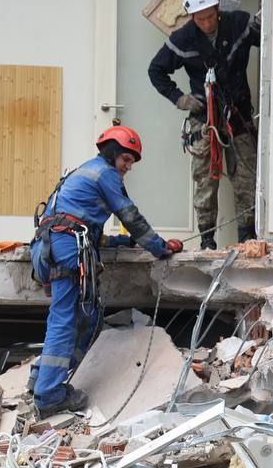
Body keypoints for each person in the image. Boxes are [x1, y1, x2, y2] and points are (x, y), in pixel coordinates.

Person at [28, 126, 182, 417]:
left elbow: (86, 227)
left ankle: (41, 379)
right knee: (67, 319)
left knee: (86, 318)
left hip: (53, 247)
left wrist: (125, 242)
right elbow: (130, 215)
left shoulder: (84, 173)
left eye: (132, 162)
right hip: (68, 250)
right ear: (111, 153)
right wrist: (159, 247)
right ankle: (48, 395)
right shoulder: (105, 174)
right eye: (126, 158)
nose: (128, 166)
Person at [148, 0, 261, 248]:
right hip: (204, 119)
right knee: (205, 181)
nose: (208, 23)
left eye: (211, 17)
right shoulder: (183, 39)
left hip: (238, 115)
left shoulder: (238, 25)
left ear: (217, 7)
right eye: (201, 19)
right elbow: (156, 71)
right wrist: (181, 99)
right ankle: (207, 240)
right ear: (191, 16)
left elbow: (269, 39)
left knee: (246, 176)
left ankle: (247, 237)